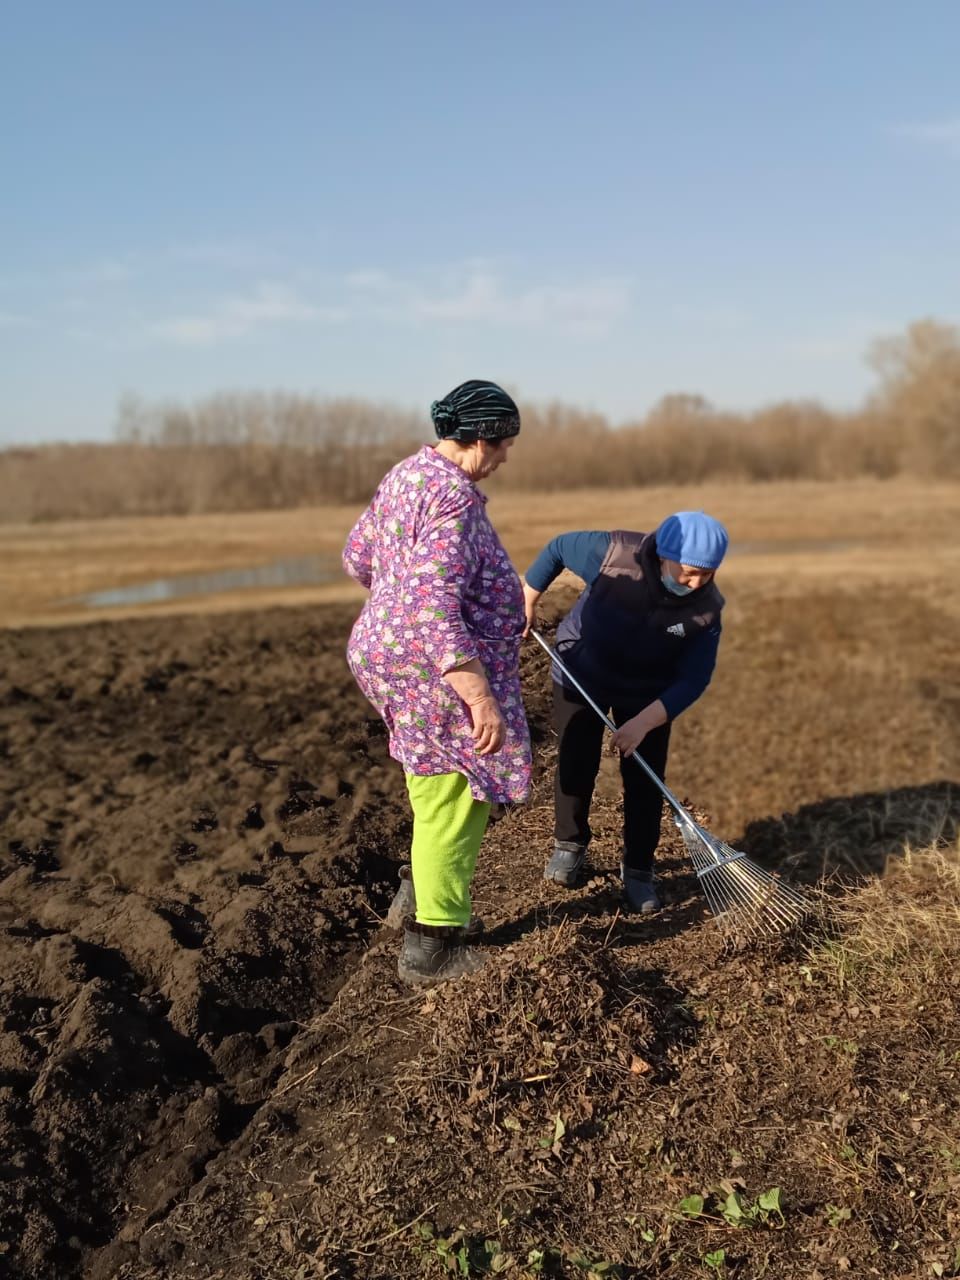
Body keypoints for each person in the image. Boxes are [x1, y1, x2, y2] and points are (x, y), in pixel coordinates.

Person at [342, 380, 531, 986]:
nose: (504, 457)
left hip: (386, 652)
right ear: (478, 438)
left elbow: (358, 556)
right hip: (430, 664)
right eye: (502, 444)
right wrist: (477, 694)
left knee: (431, 784)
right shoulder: (453, 497)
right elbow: (430, 601)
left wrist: (397, 600)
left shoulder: (406, 475)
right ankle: (434, 942)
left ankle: (417, 898)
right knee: (456, 791)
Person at [521, 512, 728, 913]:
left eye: (708, 574)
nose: (696, 583)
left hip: (648, 692)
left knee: (645, 780)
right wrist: (528, 598)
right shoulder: (613, 553)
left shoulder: (706, 610)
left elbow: (694, 679)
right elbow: (558, 548)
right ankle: (570, 844)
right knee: (576, 760)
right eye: (688, 572)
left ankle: (638, 870)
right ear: (665, 556)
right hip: (582, 672)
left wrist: (643, 723)